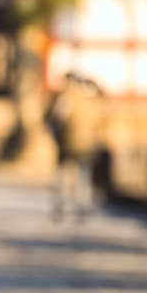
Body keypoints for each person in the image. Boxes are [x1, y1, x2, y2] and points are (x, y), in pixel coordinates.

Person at [45, 73, 105, 222]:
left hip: (67, 142)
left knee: (63, 175)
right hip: (87, 143)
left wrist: (54, 135)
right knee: (83, 176)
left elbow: (57, 118)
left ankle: (59, 206)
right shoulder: (91, 98)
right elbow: (100, 122)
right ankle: (81, 207)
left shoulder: (67, 97)